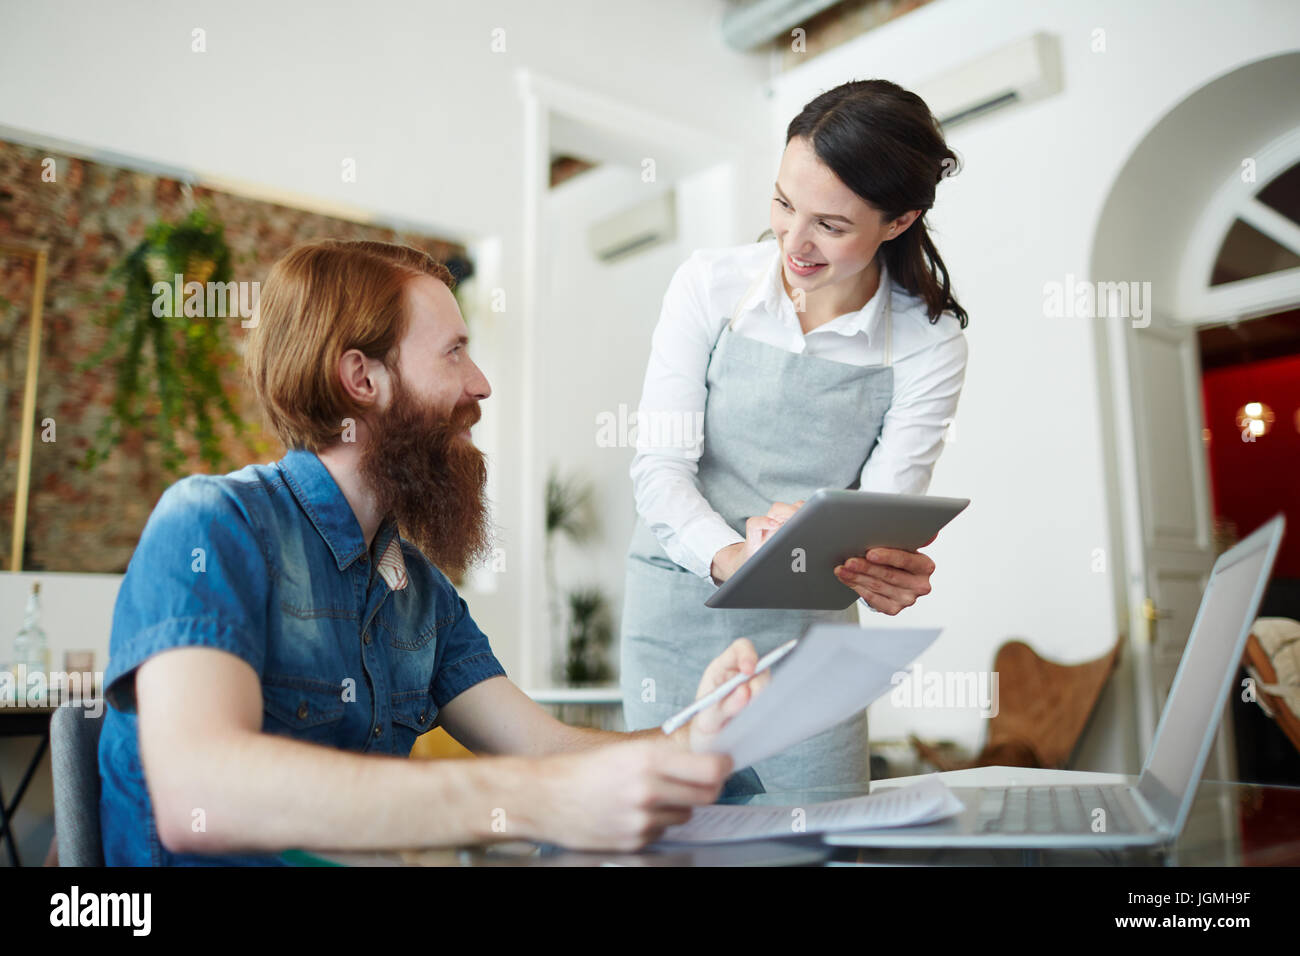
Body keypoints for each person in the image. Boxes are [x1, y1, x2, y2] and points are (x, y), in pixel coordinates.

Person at [97, 238, 769, 865]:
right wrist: (533, 800)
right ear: (362, 379)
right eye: (453, 352)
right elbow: (200, 795)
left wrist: (693, 738)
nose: (480, 384)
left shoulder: (420, 594)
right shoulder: (212, 526)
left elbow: (545, 748)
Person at [621, 79, 969, 794]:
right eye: (783, 203)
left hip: (809, 627)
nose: (794, 242)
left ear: (899, 221)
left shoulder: (930, 342)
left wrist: (879, 564)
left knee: (822, 836)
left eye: (831, 226)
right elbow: (660, 465)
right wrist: (730, 558)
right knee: (675, 835)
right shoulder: (709, 287)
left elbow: (881, 510)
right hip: (676, 602)